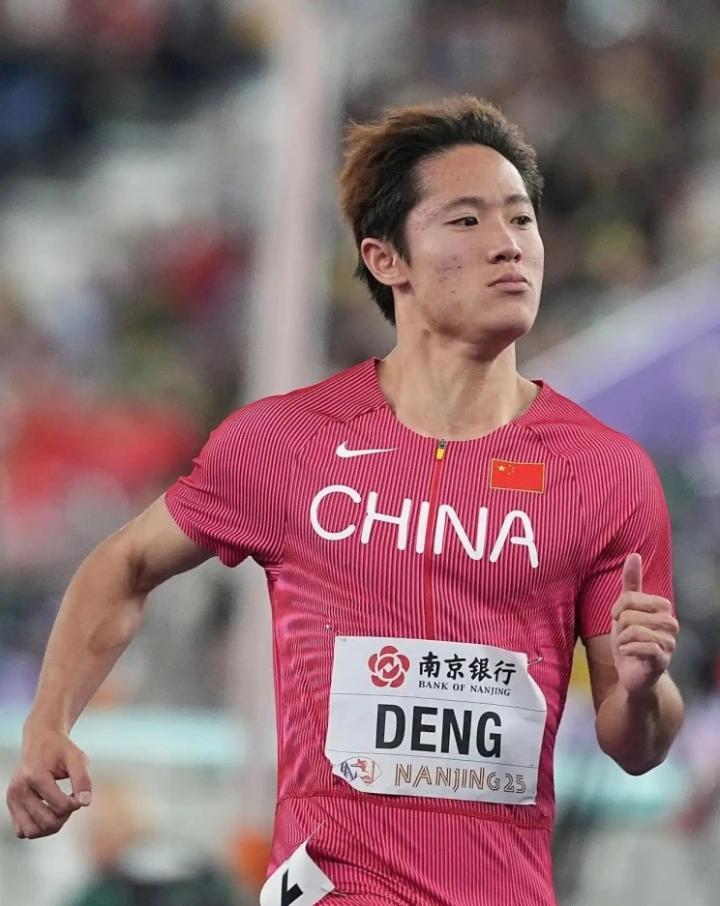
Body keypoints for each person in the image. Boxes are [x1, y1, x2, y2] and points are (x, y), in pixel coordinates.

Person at [6, 96, 683, 906]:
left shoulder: (604, 473)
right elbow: (125, 564)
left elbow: (635, 746)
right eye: (466, 220)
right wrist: (48, 722)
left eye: (521, 219)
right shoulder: (286, 442)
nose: (509, 244)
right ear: (386, 259)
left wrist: (642, 689)